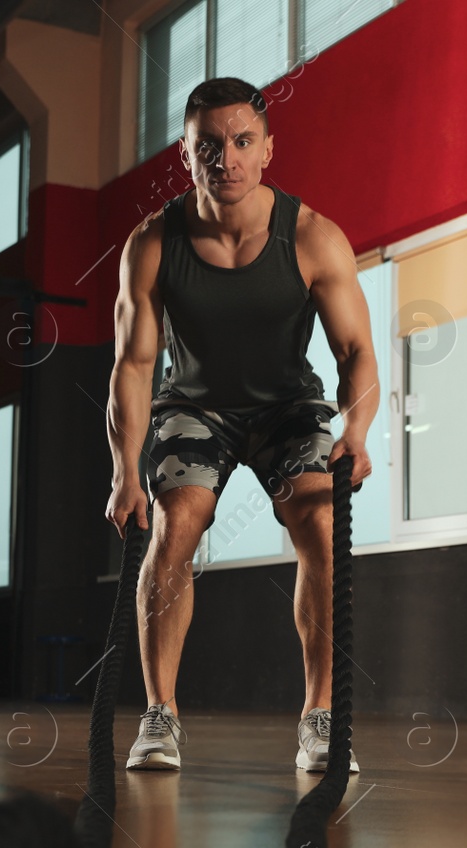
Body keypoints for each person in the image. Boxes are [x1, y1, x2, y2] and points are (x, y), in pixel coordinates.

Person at [104, 76, 380, 773]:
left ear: (266, 150)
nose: (225, 159)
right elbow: (134, 366)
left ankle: (320, 718)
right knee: (175, 524)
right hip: (194, 405)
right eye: (209, 146)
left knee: (320, 523)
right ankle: (160, 717)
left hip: (288, 407)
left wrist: (358, 430)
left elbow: (357, 355)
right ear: (185, 155)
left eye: (241, 142)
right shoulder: (152, 243)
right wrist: (122, 472)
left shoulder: (314, 237)